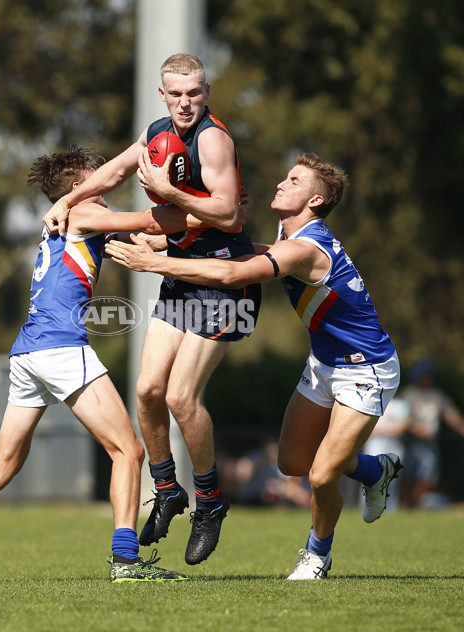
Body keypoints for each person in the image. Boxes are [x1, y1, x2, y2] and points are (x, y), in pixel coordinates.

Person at [0, 146, 208, 584]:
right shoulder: (80, 214)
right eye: (95, 175)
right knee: (128, 451)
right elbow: (148, 221)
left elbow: (149, 238)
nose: (105, 179)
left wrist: (183, 235)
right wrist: (210, 211)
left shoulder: (73, 222)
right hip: (60, 348)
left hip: (28, 352)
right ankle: (125, 561)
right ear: (78, 188)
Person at [106, 151, 402, 580]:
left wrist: (157, 263)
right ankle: (376, 469)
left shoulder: (307, 246)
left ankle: (317, 555)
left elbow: (234, 274)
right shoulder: (289, 232)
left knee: (321, 476)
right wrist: (165, 241)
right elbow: (257, 252)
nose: (282, 184)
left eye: (295, 181)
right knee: (293, 463)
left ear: (315, 202)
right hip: (324, 363)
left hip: (366, 369)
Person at [41, 53, 261, 565]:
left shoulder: (213, 139)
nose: (186, 103)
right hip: (181, 273)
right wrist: (65, 203)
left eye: (195, 93)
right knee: (146, 391)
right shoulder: (157, 131)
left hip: (224, 278)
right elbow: (113, 172)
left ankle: (208, 503)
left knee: (182, 398)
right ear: (162, 94)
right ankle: (167, 489)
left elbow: (228, 214)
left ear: (207, 93)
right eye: (177, 93)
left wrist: (166, 192)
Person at [400, 359, 464, 508]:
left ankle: (416, 503)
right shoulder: (408, 394)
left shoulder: (437, 395)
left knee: (428, 476)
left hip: (430, 443)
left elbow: (451, 415)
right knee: (407, 474)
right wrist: (416, 429)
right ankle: (406, 503)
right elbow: (401, 418)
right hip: (411, 441)